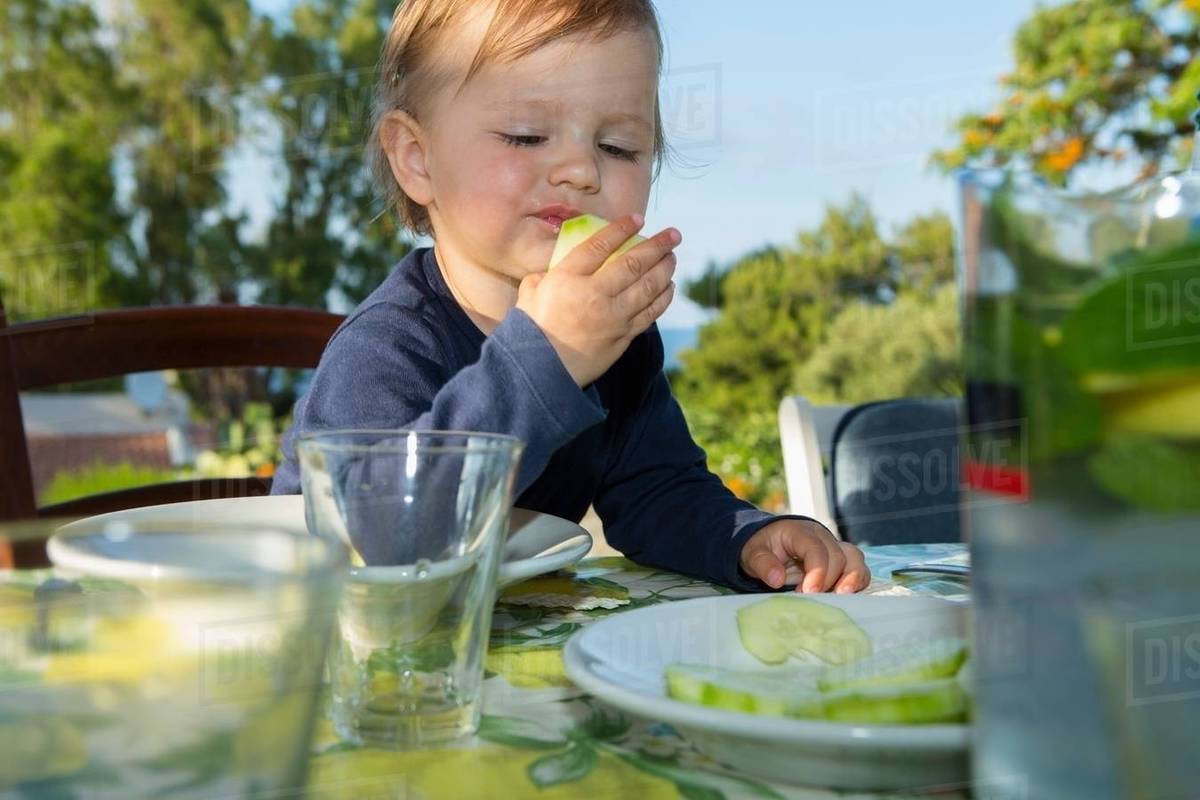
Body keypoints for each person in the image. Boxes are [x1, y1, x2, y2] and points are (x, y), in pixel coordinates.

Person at [273, 0, 870, 594]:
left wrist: (747, 537)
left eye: (618, 147)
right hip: (340, 651)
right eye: (526, 135)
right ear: (416, 158)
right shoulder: (385, 348)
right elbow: (380, 539)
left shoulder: (616, 336)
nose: (581, 169)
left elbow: (657, 490)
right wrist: (550, 356)